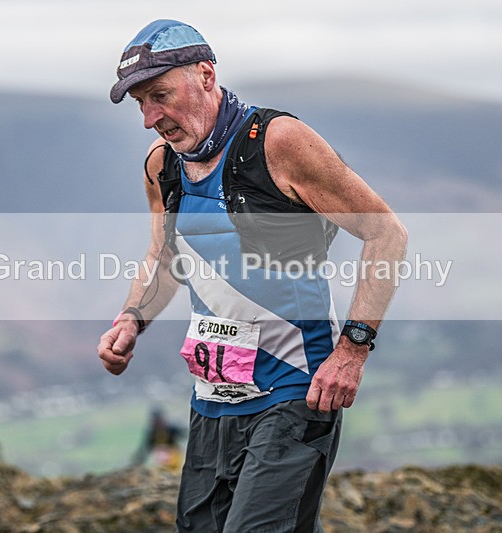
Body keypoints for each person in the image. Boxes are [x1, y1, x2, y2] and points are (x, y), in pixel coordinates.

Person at [98, 19, 408, 532]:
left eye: (160, 95)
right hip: (213, 397)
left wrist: (352, 351)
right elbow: (166, 254)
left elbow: (387, 235)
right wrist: (132, 318)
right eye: (140, 104)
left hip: (294, 393)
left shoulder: (278, 141)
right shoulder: (162, 166)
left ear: (204, 74)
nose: (151, 118)